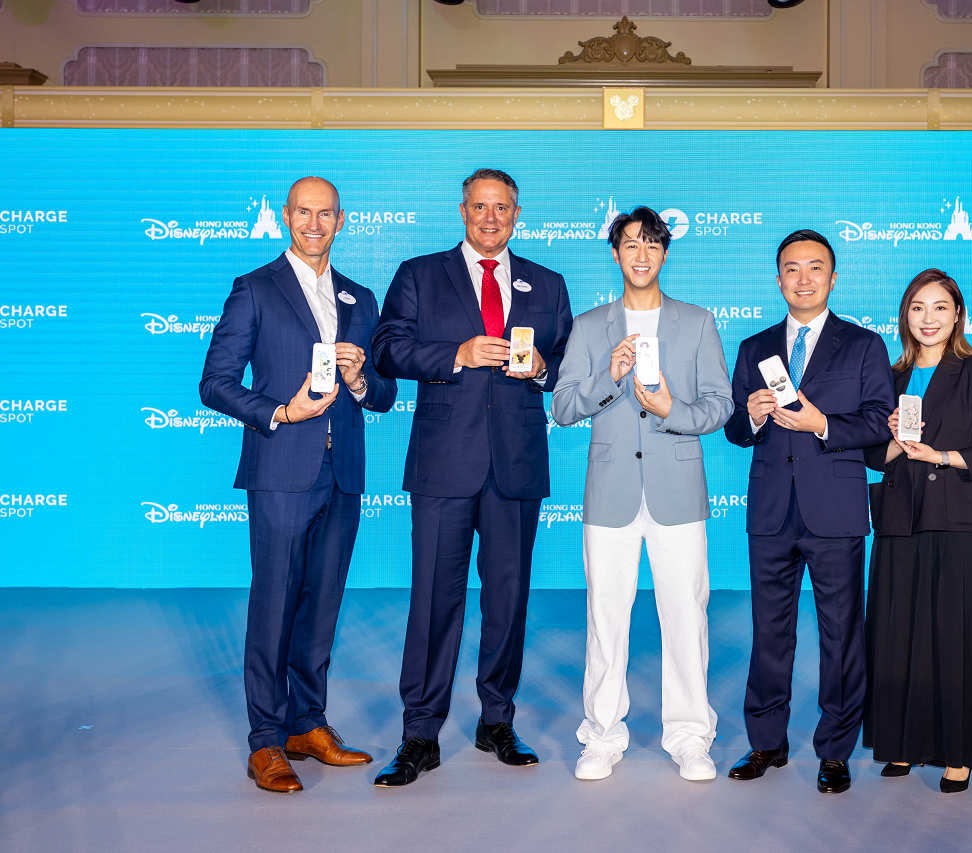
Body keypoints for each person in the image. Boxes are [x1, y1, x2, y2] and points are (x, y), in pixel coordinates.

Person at [370, 168, 572, 787]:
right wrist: (454, 355)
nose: (490, 217)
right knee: (434, 599)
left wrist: (542, 369)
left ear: (517, 215)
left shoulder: (548, 282)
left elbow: (568, 362)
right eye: (479, 207)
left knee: (508, 600)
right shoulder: (419, 274)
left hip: (515, 466)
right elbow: (387, 349)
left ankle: (497, 720)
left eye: (501, 208)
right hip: (443, 464)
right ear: (462, 211)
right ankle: (420, 731)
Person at [199, 176, 397, 793]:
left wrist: (361, 380)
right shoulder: (255, 288)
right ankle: (265, 739)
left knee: (322, 603)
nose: (315, 223)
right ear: (286, 217)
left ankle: (307, 724)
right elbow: (215, 383)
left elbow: (384, 395)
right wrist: (282, 412)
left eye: (326, 213)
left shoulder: (361, 298)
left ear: (342, 220)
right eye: (304, 212)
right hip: (281, 470)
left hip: (343, 473)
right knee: (275, 603)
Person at [551, 207, 732, 782]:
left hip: (677, 493)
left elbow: (720, 406)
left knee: (685, 616)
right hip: (611, 495)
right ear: (615, 254)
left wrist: (672, 409)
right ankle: (602, 734)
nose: (642, 254)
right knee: (605, 618)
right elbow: (563, 407)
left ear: (665, 253)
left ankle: (690, 737)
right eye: (631, 244)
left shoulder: (697, 322)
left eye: (652, 244)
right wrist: (608, 376)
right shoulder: (589, 327)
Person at [723, 229, 893, 794]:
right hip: (771, 512)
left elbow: (879, 422)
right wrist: (751, 415)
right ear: (778, 280)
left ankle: (835, 749)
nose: (803, 278)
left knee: (841, 633)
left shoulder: (864, 345)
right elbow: (734, 430)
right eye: (792, 269)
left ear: (833, 277)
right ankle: (766, 741)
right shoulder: (754, 347)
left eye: (815, 268)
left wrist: (822, 424)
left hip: (834, 511)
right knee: (769, 631)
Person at [862, 268, 972, 794]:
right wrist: (892, 442)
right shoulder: (889, 376)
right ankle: (902, 742)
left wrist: (940, 456)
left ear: (957, 315)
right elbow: (871, 456)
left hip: (958, 520)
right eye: (918, 307)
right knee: (896, 631)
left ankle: (957, 753)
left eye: (940, 307)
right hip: (900, 518)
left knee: (955, 634)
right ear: (905, 315)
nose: (928, 318)